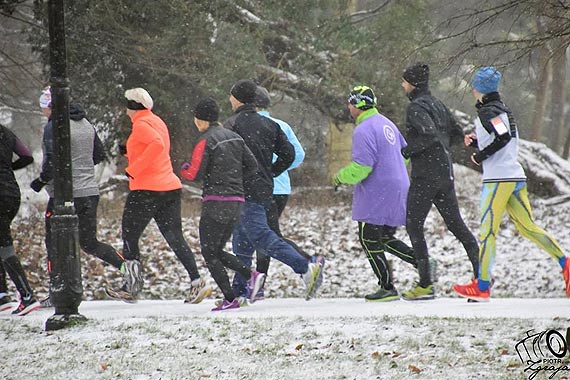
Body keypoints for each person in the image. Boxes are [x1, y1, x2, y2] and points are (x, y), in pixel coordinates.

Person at [453, 67, 570, 301]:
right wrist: (479, 142)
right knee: (528, 228)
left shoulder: (488, 111)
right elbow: (503, 136)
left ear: (478, 88)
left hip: (498, 179)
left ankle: (482, 286)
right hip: (514, 176)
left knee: (487, 232)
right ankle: (566, 263)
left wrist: (480, 155)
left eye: (474, 85)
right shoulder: (502, 109)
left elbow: (502, 137)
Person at [105, 87, 211, 303]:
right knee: (174, 236)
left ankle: (131, 287)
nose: (125, 111)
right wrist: (129, 151)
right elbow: (157, 148)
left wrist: (134, 169)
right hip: (169, 187)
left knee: (130, 234)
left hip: (146, 189)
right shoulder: (156, 121)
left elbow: (156, 145)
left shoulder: (142, 124)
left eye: (127, 106)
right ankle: (196, 281)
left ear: (133, 107)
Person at [223, 79, 325, 302]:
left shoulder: (231, 125)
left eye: (231, 95)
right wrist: (271, 171)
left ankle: (305, 267)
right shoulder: (271, 125)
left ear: (238, 99)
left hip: (242, 190)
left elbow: (225, 160)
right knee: (242, 241)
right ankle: (238, 293)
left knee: (262, 237)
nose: (229, 99)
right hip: (263, 189)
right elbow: (289, 154)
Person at [31, 86, 125, 307]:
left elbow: (52, 162)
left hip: (64, 195)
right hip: (89, 192)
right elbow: (99, 155)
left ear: (49, 106)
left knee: (53, 243)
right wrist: (80, 167)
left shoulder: (54, 126)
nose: (44, 112)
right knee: (89, 242)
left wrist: (40, 181)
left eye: (44, 108)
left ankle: (57, 292)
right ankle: (128, 267)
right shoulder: (85, 123)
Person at [399, 63, 479, 301]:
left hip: (425, 176)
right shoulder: (439, 105)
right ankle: (482, 277)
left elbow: (428, 133)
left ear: (413, 84)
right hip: (445, 173)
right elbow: (456, 133)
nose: (402, 85)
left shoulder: (415, 108)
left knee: (413, 225)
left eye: (404, 81)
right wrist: (441, 147)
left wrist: (407, 151)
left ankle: (425, 285)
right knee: (457, 226)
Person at [332, 85, 417, 302]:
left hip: (377, 190)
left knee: (368, 239)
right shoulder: (387, 124)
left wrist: (340, 176)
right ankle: (422, 261)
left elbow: (362, 166)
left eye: (350, 102)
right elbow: (405, 155)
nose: (348, 106)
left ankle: (387, 287)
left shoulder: (363, 129)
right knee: (385, 237)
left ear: (358, 105)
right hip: (399, 186)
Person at [180, 97, 265, 311]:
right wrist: (235, 180)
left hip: (215, 202)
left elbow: (193, 173)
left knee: (209, 253)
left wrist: (181, 166)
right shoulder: (235, 138)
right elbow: (253, 166)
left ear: (201, 120)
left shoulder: (205, 140)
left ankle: (231, 297)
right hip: (236, 201)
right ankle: (251, 276)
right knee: (216, 251)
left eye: (196, 119)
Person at [253, 86, 310, 299]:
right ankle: (258, 284)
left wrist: (266, 171)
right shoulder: (281, 125)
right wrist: (277, 169)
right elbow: (299, 155)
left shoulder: (248, 125)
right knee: (265, 235)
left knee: (266, 236)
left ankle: (308, 262)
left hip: (261, 188)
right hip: (281, 188)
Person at [0, 123, 40, 315]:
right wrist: (8, 167)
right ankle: (2, 296)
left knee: (5, 245)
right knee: (1, 242)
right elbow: (27, 157)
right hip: (11, 193)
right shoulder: (5, 132)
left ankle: (27, 296)